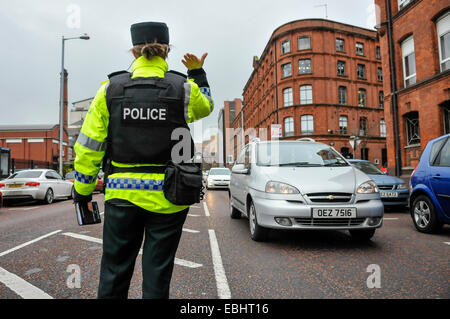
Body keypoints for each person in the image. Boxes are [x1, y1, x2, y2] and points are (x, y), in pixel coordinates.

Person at [72, 21, 213, 299]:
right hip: (169, 196)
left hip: (121, 197)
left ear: (134, 53)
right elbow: (205, 106)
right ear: (167, 52)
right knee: (158, 274)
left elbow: (89, 147)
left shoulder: (109, 90)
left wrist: (82, 191)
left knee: (113, 272)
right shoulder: (183, 89)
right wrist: (197, 72)